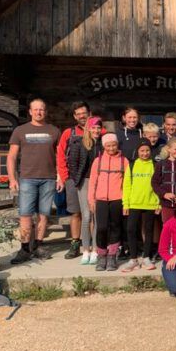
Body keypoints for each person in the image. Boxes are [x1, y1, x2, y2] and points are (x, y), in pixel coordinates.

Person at [7, 98, 61, 265]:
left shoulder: (54, 130)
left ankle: (38, 246)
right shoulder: (20, 130)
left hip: (49, 178)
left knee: (44, 214)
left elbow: (60, 156)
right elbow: (12, 156)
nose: (39, 112)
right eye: (36, 109)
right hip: (27, 178)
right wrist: (12, 178)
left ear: (46, 111)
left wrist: (60, 176)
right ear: (30, 112)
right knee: (25, 215)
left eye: (42, 109)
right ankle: (24, 249)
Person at [87, 133, 128, 272]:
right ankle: (101, 255)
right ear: (104, 146)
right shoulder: (97, 161)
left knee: (115, 227)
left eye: (113, 145)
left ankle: (112, 256)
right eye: (108, 146)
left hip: (117, 199)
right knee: (102, 228)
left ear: (117, 145)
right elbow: (92, 182)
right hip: (101, 199)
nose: (111, 148)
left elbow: (128, 183)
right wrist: (91, 200)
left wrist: (126, 201)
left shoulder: (124, 161)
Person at [65, 116, 103, 265]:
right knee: (86, 216)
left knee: (96, 217)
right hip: (85, 181)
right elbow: (72, 164)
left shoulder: (102, 144)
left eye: (99, 127)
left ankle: (95, 249)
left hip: (100, 182)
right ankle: (85, 249)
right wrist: (77, 181)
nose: (96, 130)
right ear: (88, 128)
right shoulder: (79, 143)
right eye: (94, 127)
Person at [56, 101, 91, 260]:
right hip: (73, 179)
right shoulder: (68, 133)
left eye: (84, 112)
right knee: (76, 213)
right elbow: (61, 156)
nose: (82, 116)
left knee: (91, 213)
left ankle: (91, 244)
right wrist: (64, 178)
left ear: (89, 113)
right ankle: (75, 243)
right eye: (78, 114)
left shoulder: (99, 130)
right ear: (75, 116)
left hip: (92, 178)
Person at [121, 140, 160, 272]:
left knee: (148, 231)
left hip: (150, 203)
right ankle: (133, 259)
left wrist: (158, 203)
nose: (145, 153)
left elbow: (158, 185)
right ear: (137, 151)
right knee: (131, 230)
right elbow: (126, 186)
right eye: (142, 151)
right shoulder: (132, 165)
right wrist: (125, 203)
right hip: (134, 203)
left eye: (147, 150)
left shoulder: (154, 165)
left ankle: (146, 257)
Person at [152, 136, 176, 224]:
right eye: (175, 149)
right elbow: (154, 183)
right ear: (169, 149)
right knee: (168, 226)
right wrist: (164, 194)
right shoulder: (161, 165)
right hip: (166, 204)